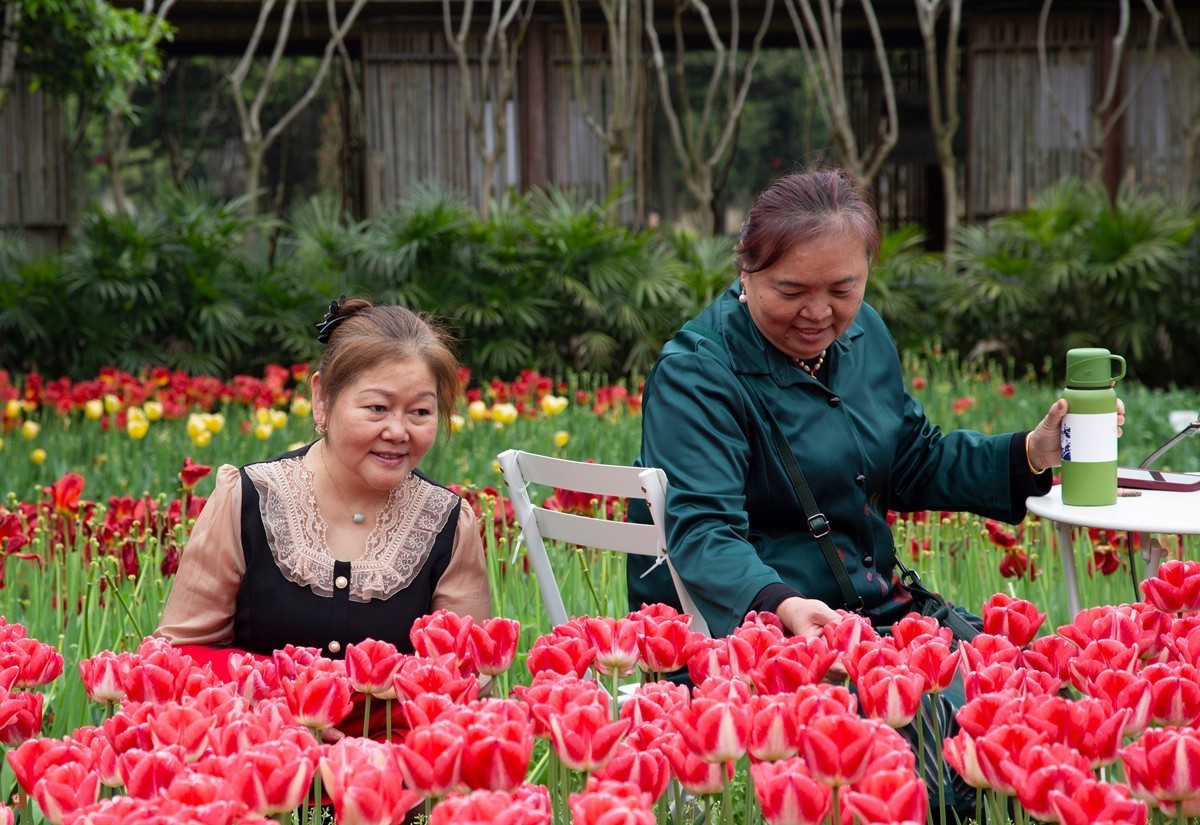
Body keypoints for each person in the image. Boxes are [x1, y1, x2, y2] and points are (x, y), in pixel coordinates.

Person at [625, 169, 1117, 816]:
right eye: (791, 289)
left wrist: (1031, 451)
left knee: (1046, 704)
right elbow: (702, 533)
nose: (819, 312)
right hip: (762, 641)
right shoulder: (699, 373)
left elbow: (912, 458)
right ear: (743, 270)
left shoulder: (863, 340)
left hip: (877, 615)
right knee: (956, 751)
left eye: (843, 288)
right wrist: (782, 606)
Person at [157, 297, 491, 686]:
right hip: (258, 738)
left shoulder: (446, 522)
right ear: (322, 399)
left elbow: (467, 677)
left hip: (393, 743)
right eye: (378, 408)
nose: (399, 432)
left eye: (420, 412)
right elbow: (181, 652)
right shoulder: (248, 499)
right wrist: (288, 696)